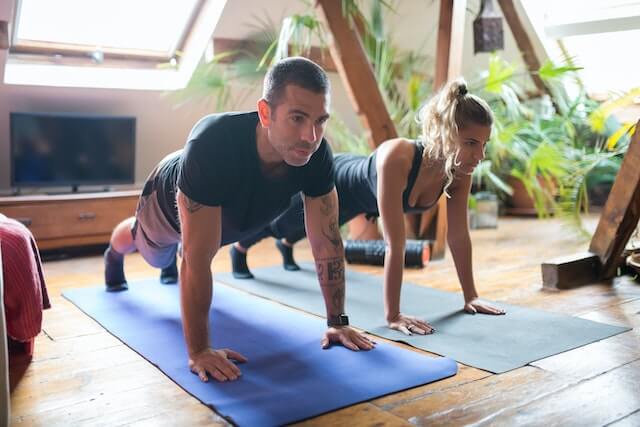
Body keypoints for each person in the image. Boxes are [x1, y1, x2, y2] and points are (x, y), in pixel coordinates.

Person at [103, 57, 375, 383]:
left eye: (320, 121)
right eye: (297, 118)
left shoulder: (316, 156)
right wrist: (199, 350)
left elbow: (327, 243)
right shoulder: (213, 143)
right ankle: (113, 254)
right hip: (165, 201)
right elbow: (196, 258)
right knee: (151, 250)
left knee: (197, 244)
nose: (310, 136)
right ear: (265, 113)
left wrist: (338, 321)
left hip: (228, 215)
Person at [230, 78, 506, 336]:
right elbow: (394, 245)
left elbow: (458, 236)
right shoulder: (397, 157)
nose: (479, 155)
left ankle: (287, 244)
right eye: (471, 143)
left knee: (304, 229)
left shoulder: (458, 170)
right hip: (339, 179)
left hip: (361, 202)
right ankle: (239, 248)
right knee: (281, 222)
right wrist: (394, 315)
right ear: (445, 134)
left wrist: (471, 297)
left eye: (484, 144)